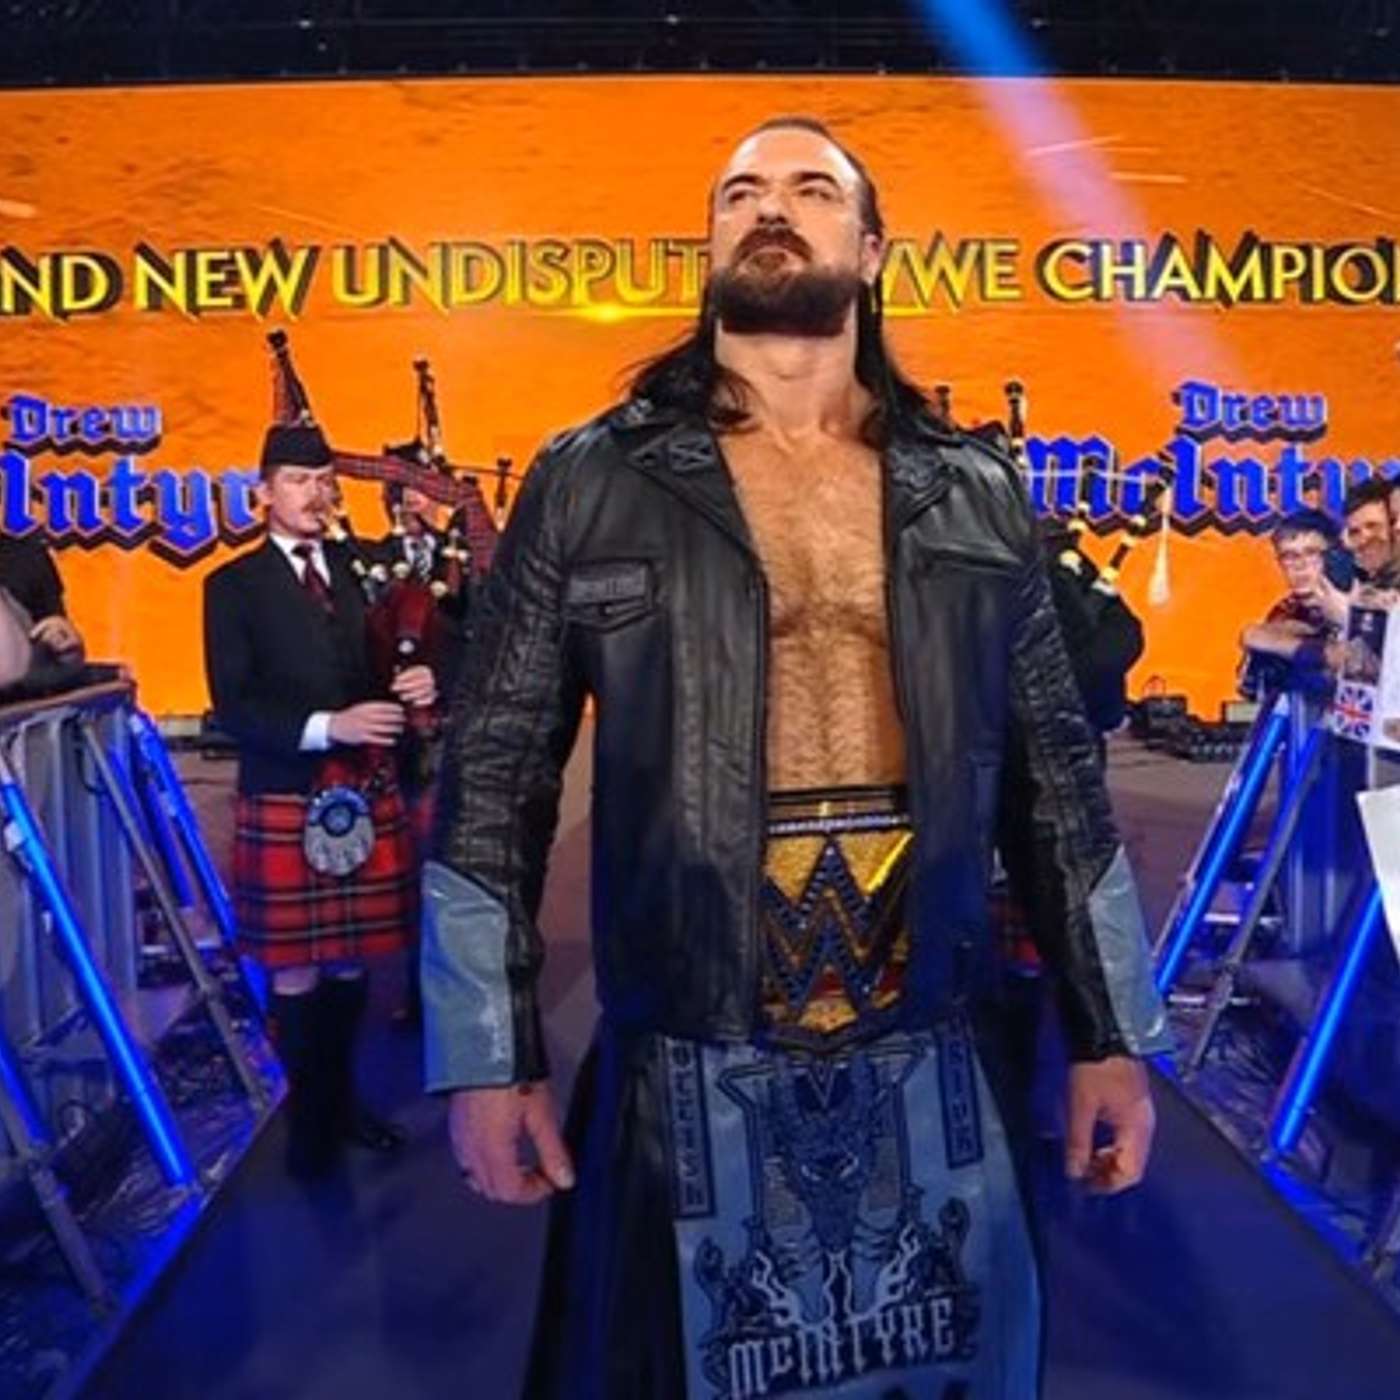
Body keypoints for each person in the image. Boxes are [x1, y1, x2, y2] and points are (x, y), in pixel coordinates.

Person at [423, 117, 1169, 1398]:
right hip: (690, 1038)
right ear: (710, 242)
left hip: (929, 1022)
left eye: (811, 188)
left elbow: (1054, 775)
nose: (770, 207)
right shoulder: (589, 479)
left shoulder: (976, 488)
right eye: (740, 192)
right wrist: (490, 1051)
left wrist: (1111, 1032)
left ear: (870, 249)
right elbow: (494, 772)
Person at [204, 422, 438, 1179]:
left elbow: (416, 644)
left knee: (348, 965)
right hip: (286, 788)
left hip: (363, 788)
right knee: (298, 970)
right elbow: (234, 705)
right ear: (263, 493)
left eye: (325, 482)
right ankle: (309, 1121)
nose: (317, 495)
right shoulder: (233, 586)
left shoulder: (361, 570)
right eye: (299, 481)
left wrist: (424, 678)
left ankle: (342, 1103)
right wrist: (328, 726)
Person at [1237, 508, 1344, 692]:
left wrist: (1275, 642)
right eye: (1289, 556)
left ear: (1333, 556)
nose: (1300, 565)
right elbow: (1250, 685)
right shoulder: (1285, 609)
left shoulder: (1357, 599)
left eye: (1311, 553)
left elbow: (1350, 660)